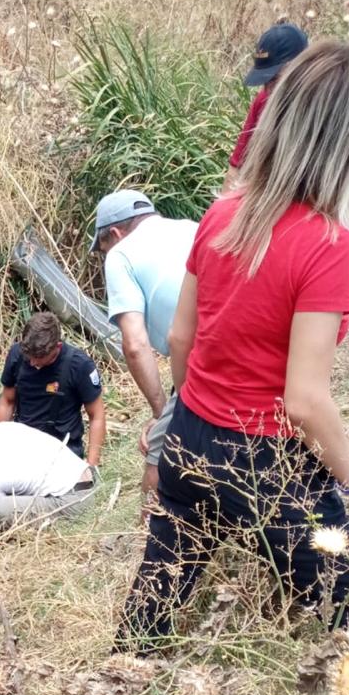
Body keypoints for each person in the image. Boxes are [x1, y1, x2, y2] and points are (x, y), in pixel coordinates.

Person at [118, 42, 349, 654]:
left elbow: (181, 337)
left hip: (188, 439)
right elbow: (306, 401)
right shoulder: (328, 243)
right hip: (265, 463)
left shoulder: (225, 211)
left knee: (150, 613)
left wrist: (191, 411)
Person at [91, 189, 197, 516]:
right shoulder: (191, 227)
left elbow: (135, 345)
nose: (104, 254)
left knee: (160, 450)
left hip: (204, 352)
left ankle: (150, 539)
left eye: (103, 246)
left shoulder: (120, 254)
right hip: (253, 336)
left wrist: (160, 411)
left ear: (115, 233)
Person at [0, 312, 106, 466]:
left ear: (57, 347)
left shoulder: (80, 365)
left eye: (40, 359)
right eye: (30, 357)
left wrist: (92, 465)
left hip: (63, 450)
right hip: (23, 445)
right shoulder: (17, 355)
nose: (33, 363)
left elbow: (97, 416)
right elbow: (7, 401)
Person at [221, 22, 308, 194]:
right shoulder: (265, 100)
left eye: (276, 79)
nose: (269, 90)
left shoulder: (333, 107)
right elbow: (237, 169)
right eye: (265, 81)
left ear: (304, 66)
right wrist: (220, 214)